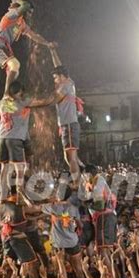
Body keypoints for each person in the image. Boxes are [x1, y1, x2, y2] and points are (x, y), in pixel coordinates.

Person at [0, 80, 54, 199]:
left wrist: (8, 116)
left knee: (4, 168)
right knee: (20, 168)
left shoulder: (2, 102)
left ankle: (2, 197)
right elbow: (43, 102)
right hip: (15, 139)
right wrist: (55, 96)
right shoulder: (22, 102)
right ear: (19, 92)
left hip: (0, 138)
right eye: (21, 93)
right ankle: (20, 196)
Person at [0, 0, 56, 95]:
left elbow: (34, 36)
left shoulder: (22, 24)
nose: (30, 15)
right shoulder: (12, 14)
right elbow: (25, 5)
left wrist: (47, 43)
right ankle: (7, 94)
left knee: (14, 71)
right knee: (15, 64)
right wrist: (19, 0)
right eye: (29, 12)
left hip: (4, 46)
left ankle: (11, 96)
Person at [49, 48, 83, 186]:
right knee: (68, 156)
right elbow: (59, 66)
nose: (55, 80)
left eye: (56, 77)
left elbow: (51, 100)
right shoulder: (68, 82)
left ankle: (77, 183)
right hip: (66, 125)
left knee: (71, 157)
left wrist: (31, 103)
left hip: (68, 125)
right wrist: (52, 51)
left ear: (62, 76)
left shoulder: (65, 86)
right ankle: (84, 172)